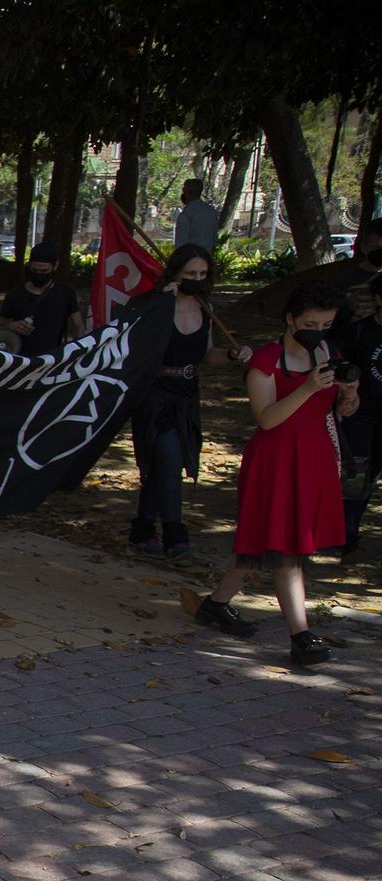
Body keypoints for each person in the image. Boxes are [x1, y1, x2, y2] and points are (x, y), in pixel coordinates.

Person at [195, 281, 359, 666]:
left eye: (326, 323)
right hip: (275, 460)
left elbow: (341, 411)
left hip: (315, 459)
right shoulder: (266, 360)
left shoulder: (327, 351)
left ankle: (215, 605)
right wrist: (306, 387)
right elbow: (267, 419)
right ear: (290, 319)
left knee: (257, 544)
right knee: (287, 549)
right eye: (311, 321)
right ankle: (301, 636)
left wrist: (349, 394)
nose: (318, 330)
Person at [122, 245, 252, 560]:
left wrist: (233, 355)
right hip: (155, 394)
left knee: (164, 463)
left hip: (186, 393)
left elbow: (208, 354)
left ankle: (142, 528)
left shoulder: (204, 306)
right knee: (168, 458)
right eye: (190, 274)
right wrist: (160, 303)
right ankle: (175, 535)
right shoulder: (155, 304)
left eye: (202, 274)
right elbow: (131, 340)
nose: (196, 279)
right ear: (175, 273)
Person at [334, 273, 382, 556]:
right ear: (377, 298)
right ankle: (346, 528)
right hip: (361, 413)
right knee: (355, 472)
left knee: (372, 472)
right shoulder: (359, 331)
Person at [0, 246, 83, 355]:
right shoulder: (15, 294)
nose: (39, 275)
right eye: (34, 270)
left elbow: (79, 326)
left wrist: (76, 351)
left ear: (55, 266)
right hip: (21, 360)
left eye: (44, 271)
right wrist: (11, 326)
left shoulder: (65, 292)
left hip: (52, 360)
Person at [173, 178, 220, 254]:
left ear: (186, 191)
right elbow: (214, 240)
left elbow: (181, 242)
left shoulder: (187, 214)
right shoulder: (212, 212)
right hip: (206, 257)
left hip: (189, 257)